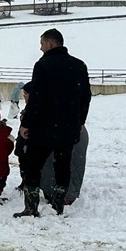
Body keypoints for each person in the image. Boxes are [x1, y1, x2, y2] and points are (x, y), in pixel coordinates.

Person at [16, 28, 91, 217]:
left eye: (42, 43)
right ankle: (58, 205)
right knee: (62, 166)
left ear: (50, 43)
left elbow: (38, 98)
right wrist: (80, 121)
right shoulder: (79, 65)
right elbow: (85, 97)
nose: (40, 48)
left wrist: (27, 124)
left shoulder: (43, 65)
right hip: (67, 128)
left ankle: (31, 207)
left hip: (43, 127)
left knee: (33, 166)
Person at [41, 125, 89, 206]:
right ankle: (64, 193)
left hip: (61, 129)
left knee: (60, 162)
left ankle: (59, 194)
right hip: (71, 128)